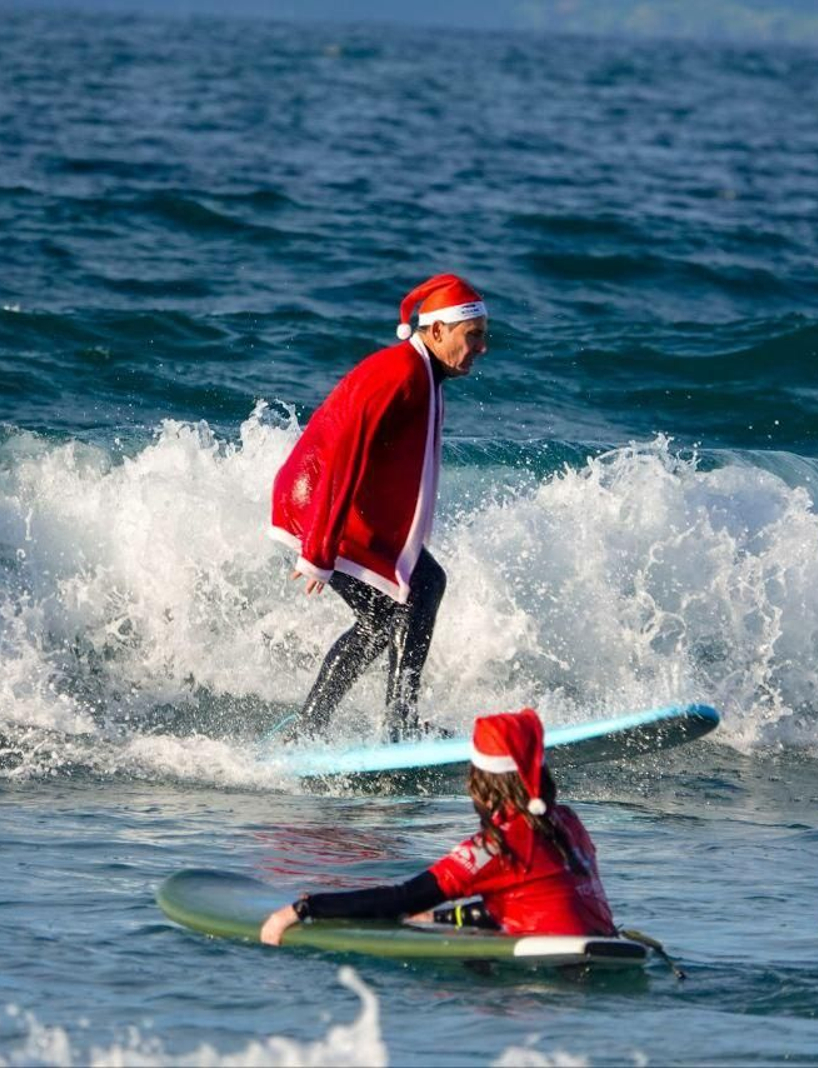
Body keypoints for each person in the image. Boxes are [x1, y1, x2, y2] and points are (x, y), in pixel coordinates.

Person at [268, 274, 488, 741]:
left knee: (419, 588)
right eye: (473, 336)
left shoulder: (423, 373)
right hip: (318, 503)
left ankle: (364, 722)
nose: (482, 348)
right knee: (394, 608)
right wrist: (319, 549)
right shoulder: (400, 373)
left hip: (343, 504)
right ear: (437, 331)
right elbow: (344, 454)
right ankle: (366, 725)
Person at [259, 708, 616, 944]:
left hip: (551, 970)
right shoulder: (567, 821)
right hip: (603, 941)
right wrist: (438, 918)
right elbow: (532, 900)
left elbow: (401, 899)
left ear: (482, 784)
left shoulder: (495, 847)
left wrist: (306, 909)